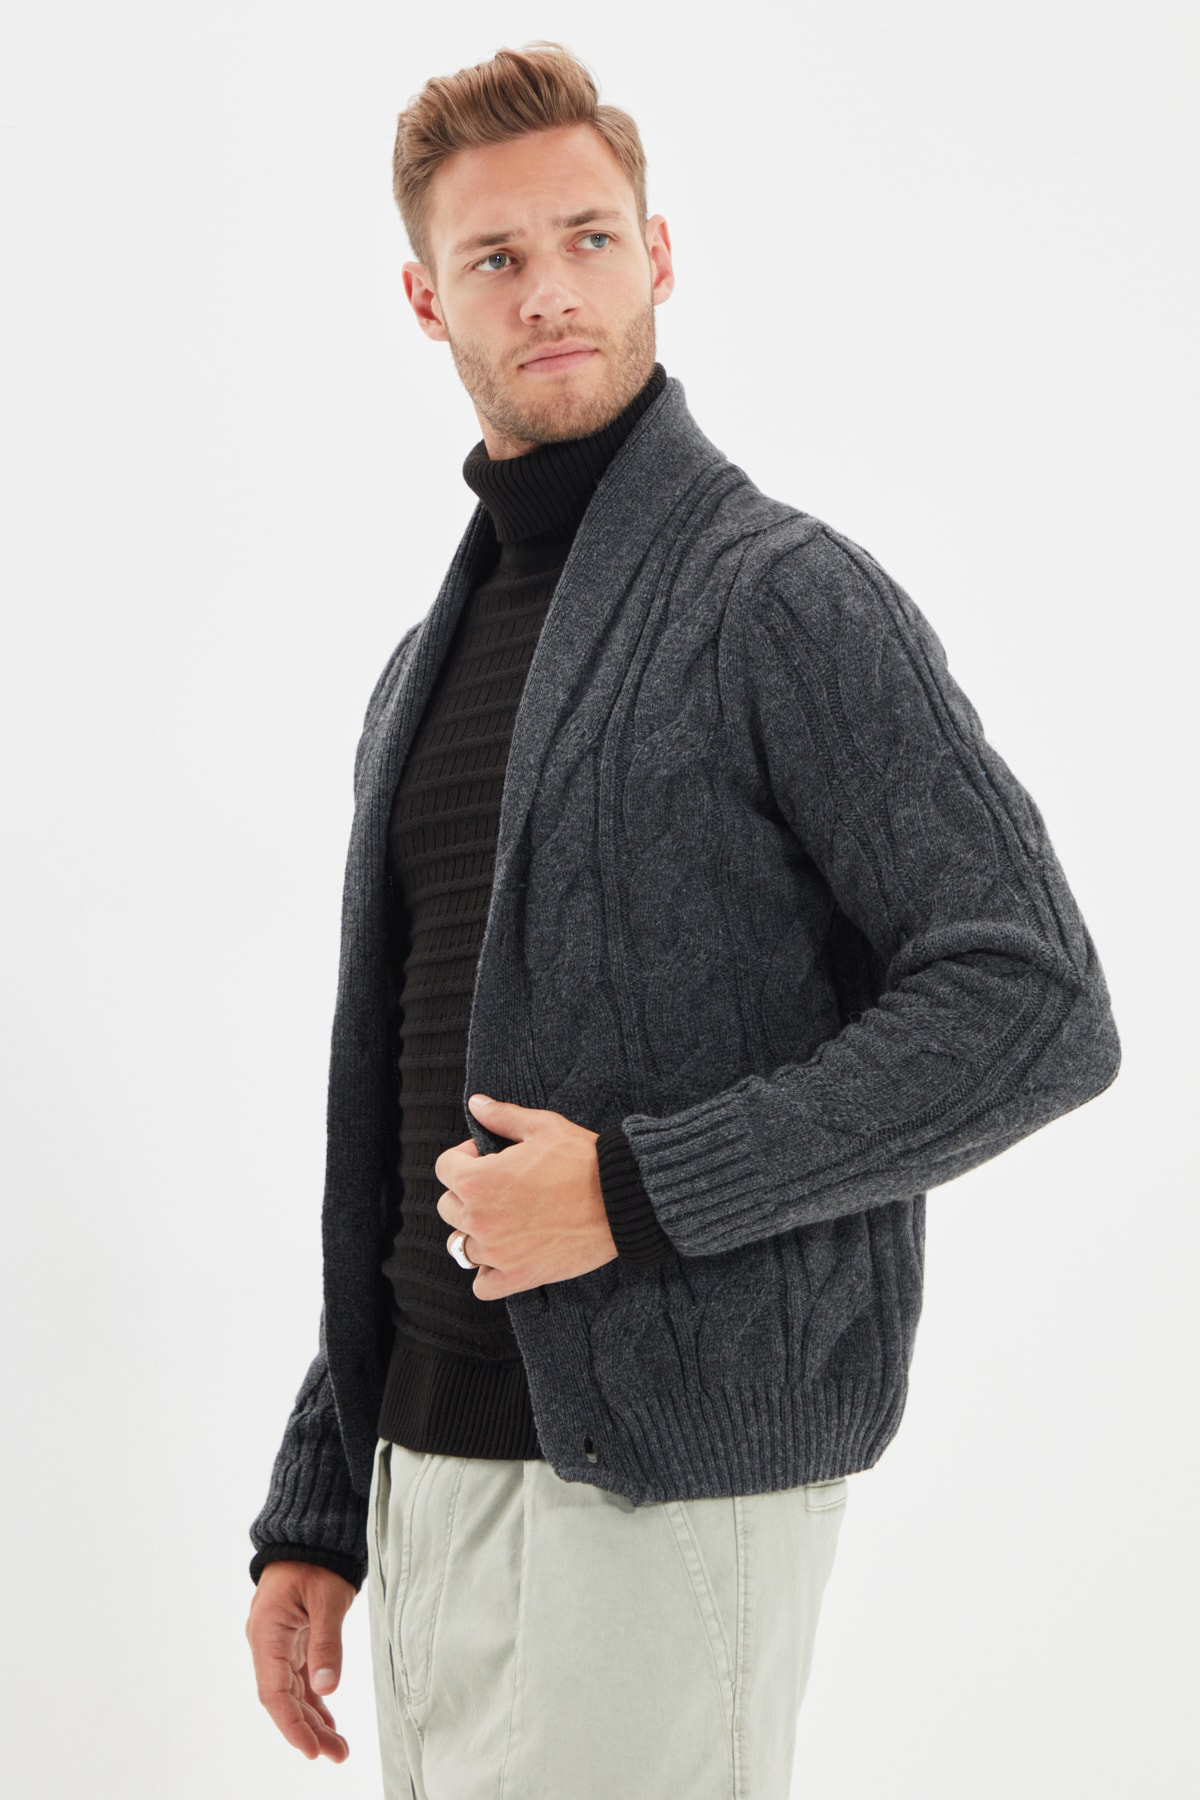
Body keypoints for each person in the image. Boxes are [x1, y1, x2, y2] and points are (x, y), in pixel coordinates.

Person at [243, 39, 1122, 1800]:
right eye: (497, 258)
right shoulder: (419, 670)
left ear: (660, 254)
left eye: (589, 238)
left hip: (664, 1493)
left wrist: (638, 1191)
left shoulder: (780, 597)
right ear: (426, 301)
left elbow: (1034, 1007)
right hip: (425, 1488)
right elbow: (410, 1115)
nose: (550, 291)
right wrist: (323, 1495)